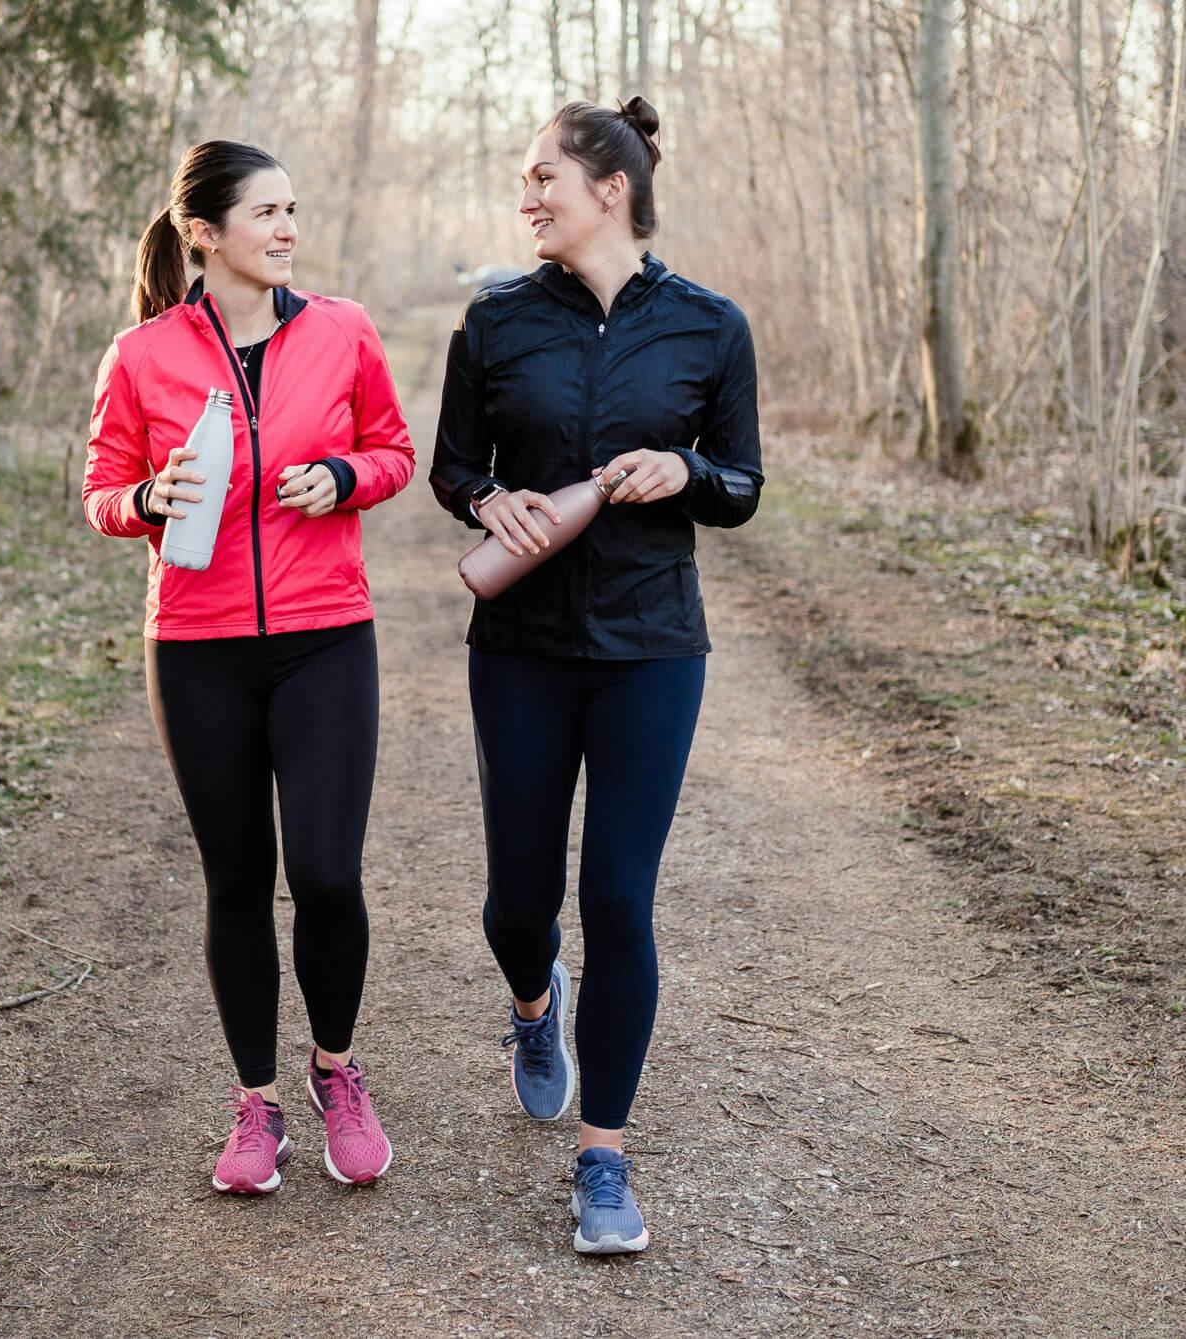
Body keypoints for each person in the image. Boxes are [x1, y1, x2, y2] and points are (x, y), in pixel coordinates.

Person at [429, 97, 763, 1254]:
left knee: (618, 895)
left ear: (608, 188)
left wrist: (682, 468)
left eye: (540, 180)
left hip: (650, 649)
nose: (524, 199)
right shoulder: (496, 320)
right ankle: (534, 1004)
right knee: (516, 901)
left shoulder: (708, 327)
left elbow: (742, 483)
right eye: (521, 183)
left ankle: (603, 1157)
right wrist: (489, 499)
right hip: (519, 649)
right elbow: (451, 467)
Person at [84, 140, 414, 1194]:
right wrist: (144, 503)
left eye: (292, 210)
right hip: (195, 647)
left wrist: (342, 475)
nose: (285, 229)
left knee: (324, 873)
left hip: (325, 637)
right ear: (204, 234)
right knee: (236, 879)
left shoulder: (345, 331)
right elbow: (101, 490)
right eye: (264, 212)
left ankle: (334, 1070)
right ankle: (252, 1106)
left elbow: (396, 451)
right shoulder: (140, 355)